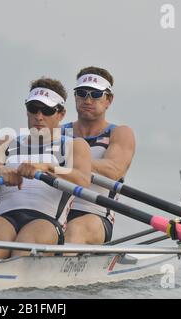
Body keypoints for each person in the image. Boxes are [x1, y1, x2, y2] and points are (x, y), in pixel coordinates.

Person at [0, 77, 91, 259]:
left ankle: (14, 270)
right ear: (26, 110)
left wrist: (47, 168)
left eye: (47, 110)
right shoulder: (6, 142)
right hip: (4, 218)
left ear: (61, 114)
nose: (39, 116)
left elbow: (84, 181)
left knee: (25, 245)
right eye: (33, 109)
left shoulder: (74, 145)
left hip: (46, 223)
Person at [62, 66, 136, 244]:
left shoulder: (119, 133)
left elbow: (114, 170)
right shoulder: (59, 132)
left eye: (95, 94)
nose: (87, 100)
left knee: (75, 229)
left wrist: (74, 161)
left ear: (108, 99)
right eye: (81, 93)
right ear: (75, 97)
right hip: (54, 213)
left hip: (95, 216)